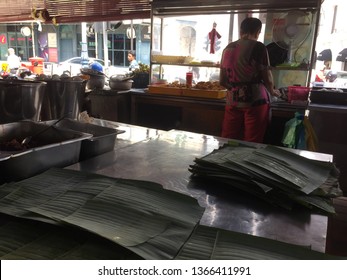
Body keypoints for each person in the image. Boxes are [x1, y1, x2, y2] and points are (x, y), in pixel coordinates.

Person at [219, 17, 280, 143]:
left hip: (232, 100)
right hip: (255, 101)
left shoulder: (228, 48)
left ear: (241, 30)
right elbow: (267, 75)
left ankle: (224, 161)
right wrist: (272, 91)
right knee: (252, 141)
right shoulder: (259, 47)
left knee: (228, 139)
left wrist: (235, 89)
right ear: (258, 31)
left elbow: (222, 81)